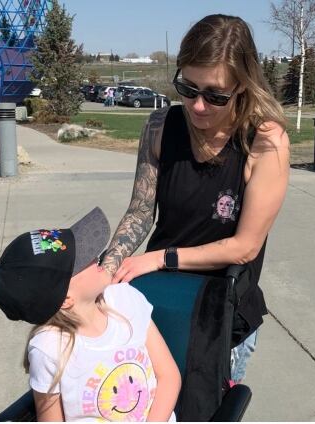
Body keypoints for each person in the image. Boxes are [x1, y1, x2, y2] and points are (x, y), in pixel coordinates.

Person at [100, 14, 289, 388]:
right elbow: (140, 211)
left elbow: (244, 247)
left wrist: (159, 258)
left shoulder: (264, 142)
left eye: (215, 95)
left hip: (219, 311)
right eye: (188, 88)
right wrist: (107, 270)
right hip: (157, 300)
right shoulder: (159, 127)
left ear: (243, 87)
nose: (198, 106)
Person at [0, 208, 180, 421]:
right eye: (83, 260)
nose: (96, 256)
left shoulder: (125, 298)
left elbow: (169, 376)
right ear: (65, 299)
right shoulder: (48, 349)